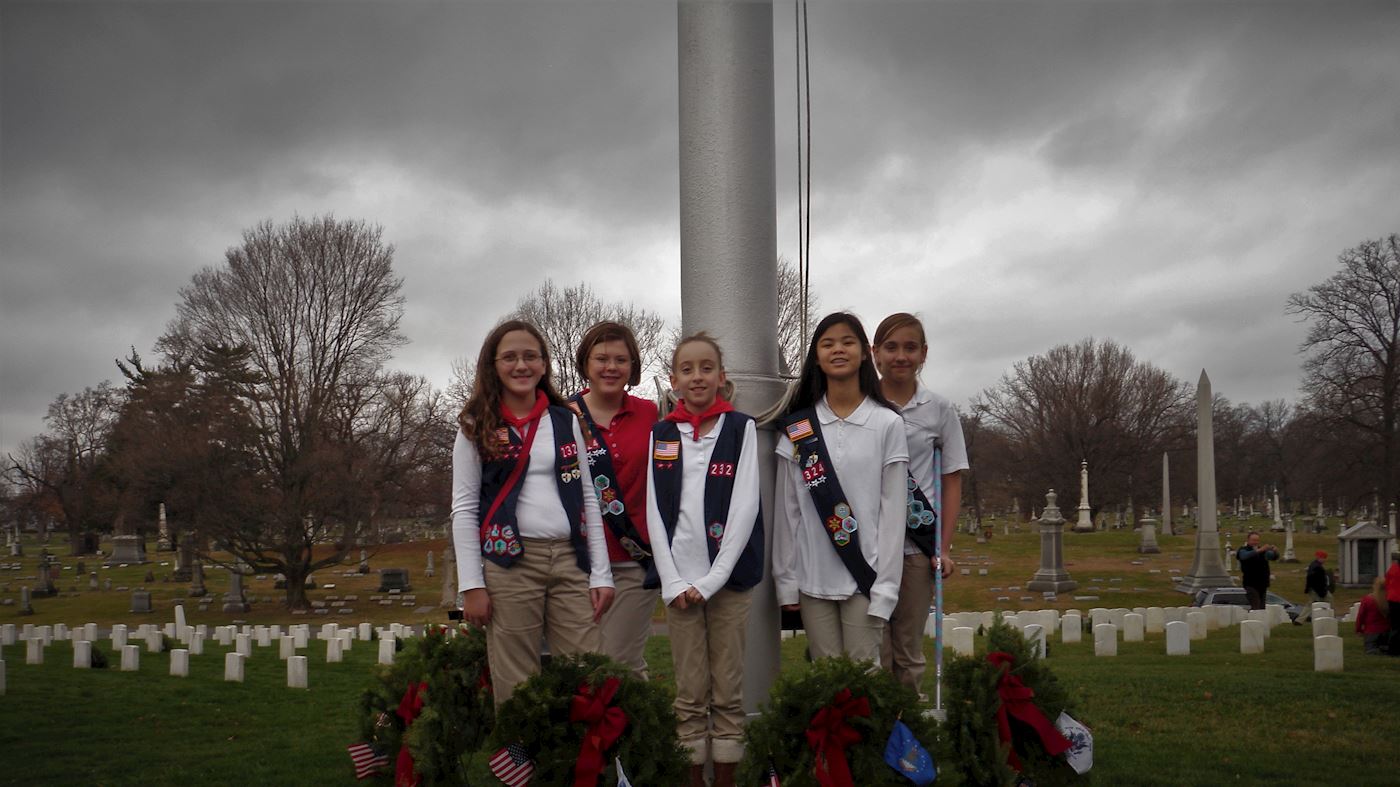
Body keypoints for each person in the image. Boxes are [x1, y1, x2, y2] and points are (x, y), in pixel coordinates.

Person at [451, 319, 614, 705]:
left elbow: (588, 494)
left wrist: (601, 574)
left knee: (587, 673)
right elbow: (464, 507)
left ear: (543, 365)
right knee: (517, 684)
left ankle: (578, 763)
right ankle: (523, 763)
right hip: (510, 565)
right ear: (493, 366)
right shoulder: (476, 424)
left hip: (570, 561)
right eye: (509, 357)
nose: (520, 365)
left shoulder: (565, 420)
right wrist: (471, 585)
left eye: (530, 357)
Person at [646, 332, 763, 787]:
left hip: (728, 582)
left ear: (721, 376)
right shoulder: (661, 434)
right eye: (688, 369)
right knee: (690, 692)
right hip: (679, 585)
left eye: (706, 367)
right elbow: (655, 510)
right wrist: (672, 581)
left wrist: (713, 579)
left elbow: (745, 507)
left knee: (728, 691)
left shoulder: (741, 429)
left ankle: (728, 778)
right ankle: (693, 777)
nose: (697, 376)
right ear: (674, 379)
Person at [773, 312, 910, 663]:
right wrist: (785, 579)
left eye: (847, 342)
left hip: (865, 575)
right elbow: (787, 512)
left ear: (865, 352)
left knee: (865, 682)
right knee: (825, 683)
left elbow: (893, 513)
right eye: (827, 343)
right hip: (812, 577)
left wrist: (886, 585)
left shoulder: (887, 423)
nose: (838, 350)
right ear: (816, 355)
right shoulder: (799, 427)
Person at [871, 312, 968, 697]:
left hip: (916, 547)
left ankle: (908, 728)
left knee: (908, 651)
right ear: (874, 353)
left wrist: (943, 547)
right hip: (870, 546)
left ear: (923, 353)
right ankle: (876, 733)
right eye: (891, 347)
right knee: (874, 648)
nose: (900, 356)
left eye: (910, 347)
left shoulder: (939, 410)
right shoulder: (862, 404)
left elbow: (952, 480)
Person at [569, 321, 660, 677]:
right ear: (586, 363)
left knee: (621, 664)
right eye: (602, 358)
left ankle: (634, 731)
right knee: (580, 664)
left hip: (634, 561)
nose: (611, 367)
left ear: (632, 367)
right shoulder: (564, 416)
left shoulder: (651, 414)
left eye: (620, 360)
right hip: (580, 564)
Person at [1235, 531, 1278, 610]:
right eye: (1253, 540)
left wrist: (1275, 551)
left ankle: (1260, 621)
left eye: (1257, 540)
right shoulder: (1243, 549)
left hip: (1263, 583)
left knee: (1262, 607)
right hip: (1250, 583)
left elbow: (1272, 557)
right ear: (1248, 540)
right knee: (1256, 606)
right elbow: (1244, 556)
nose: (1256, 542)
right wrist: (1259, 550)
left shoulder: (1263, 551)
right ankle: (1253, 620)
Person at [1297, 550, 1334, 623]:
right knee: (1329, 600)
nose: (1324, 559)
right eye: (1323, 558)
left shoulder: (1313, 565)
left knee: (1310, 604)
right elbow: (1318, 581)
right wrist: (1322, 591)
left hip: (1314, 589)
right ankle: (1330, 617)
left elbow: (1310, 578)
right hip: (1317, 590)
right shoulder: (1318, 567)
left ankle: (1299, 620)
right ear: (1319, 558)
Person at [1355, 577, 1390, 655]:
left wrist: (1358, 630)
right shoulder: (1390, 600)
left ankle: (1375, 649)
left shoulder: (1368, 599)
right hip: (1387, 632)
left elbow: (1361, 616)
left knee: (1371, 649)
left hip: (1372, 632)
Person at [1387, 551, 1400, 633]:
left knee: (1394, 623)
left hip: (1392, 598)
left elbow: (1387, 582)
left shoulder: (1393, 568)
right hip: (1397, 598)